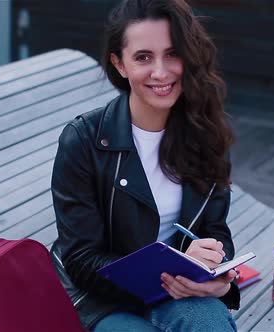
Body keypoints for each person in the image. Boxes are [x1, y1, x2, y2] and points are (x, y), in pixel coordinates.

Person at [49, 0, 239, 330]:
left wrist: (219, 278)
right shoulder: (83, 141)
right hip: (100, 297)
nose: (161, 72)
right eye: (143, 57)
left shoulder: (205, 134)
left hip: (179, 291)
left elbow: (214, 232)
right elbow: (80, 260)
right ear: (119, 64)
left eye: (172, 54)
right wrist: (172, 273)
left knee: (210, 325)